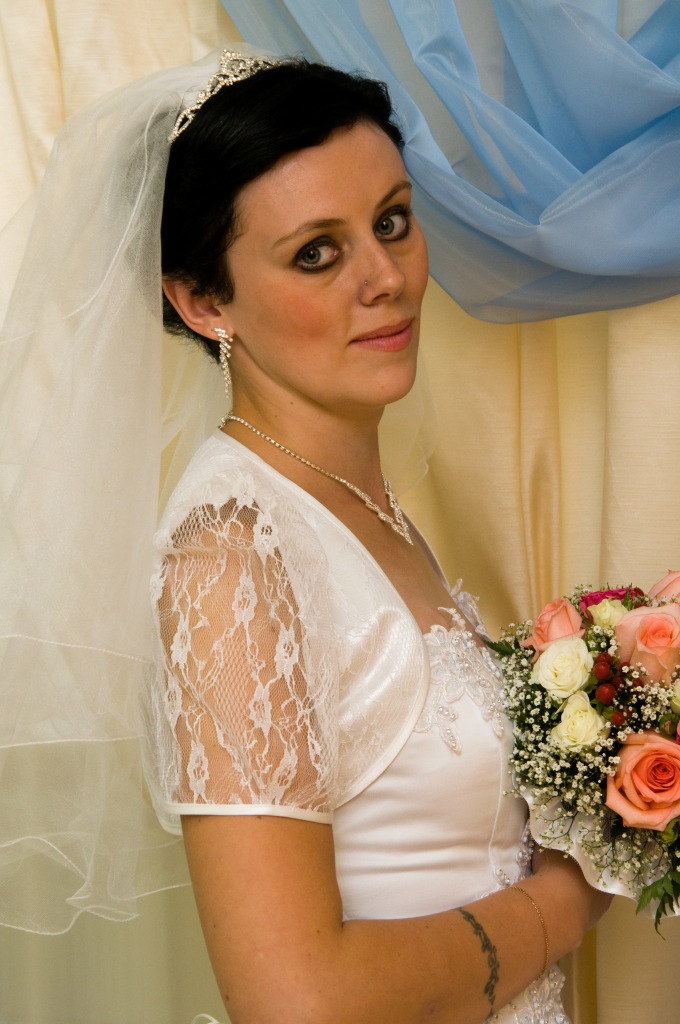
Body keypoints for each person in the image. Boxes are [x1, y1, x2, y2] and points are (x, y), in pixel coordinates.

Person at [0, 47, 609, 1021]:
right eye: (315, 253)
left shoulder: (353, 506)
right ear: (203, 301)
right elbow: (295, 1001)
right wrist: (569, 899)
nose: (385, 278)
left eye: (391, 221)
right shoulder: (231, 555)